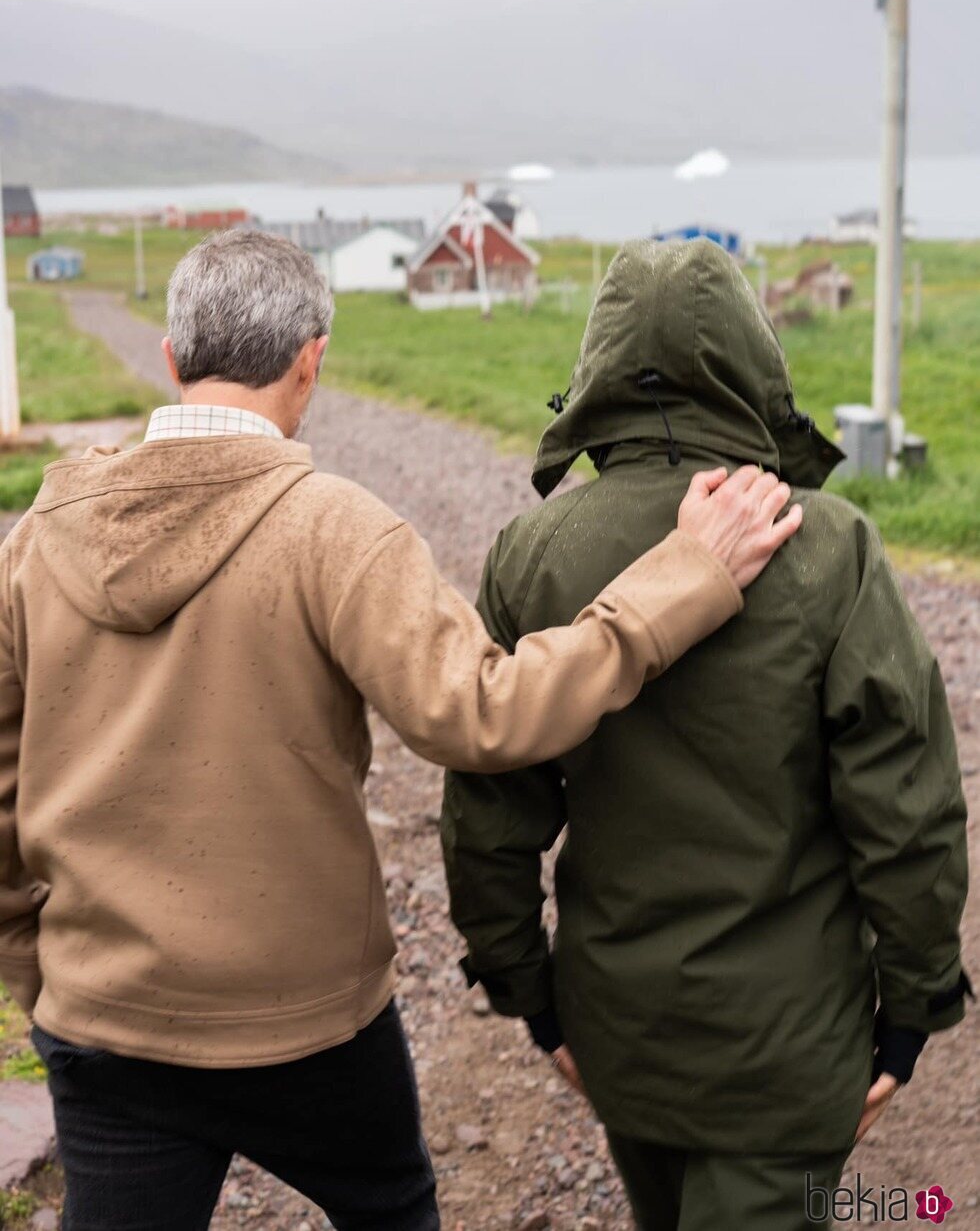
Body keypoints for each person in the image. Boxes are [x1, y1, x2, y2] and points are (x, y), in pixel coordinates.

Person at [0, 230, 801, 1231]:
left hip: (99, 1017)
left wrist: (39, 966)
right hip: (306, 1022)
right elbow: (484, 714)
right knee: (390, 1208)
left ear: (170, 357)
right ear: (312, 358)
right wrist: (686, 576)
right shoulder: (332, 525)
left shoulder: (35, 537)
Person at [441, 237, 970, 1231]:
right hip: (786, 1049)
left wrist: (528, 991)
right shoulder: (827, 549)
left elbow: (487, 806)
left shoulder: (531, 553)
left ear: (596, 367)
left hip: (619, 1035)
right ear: (751, 361)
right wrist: (912, 1006)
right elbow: (904, 814)